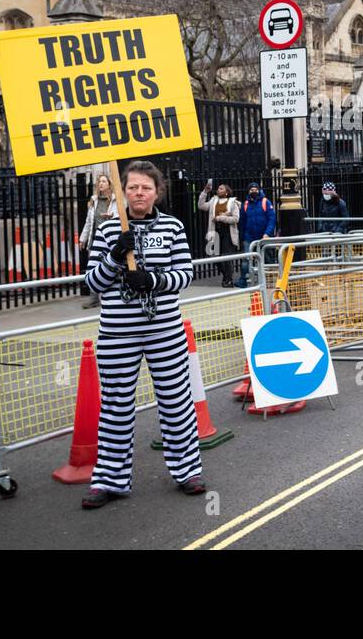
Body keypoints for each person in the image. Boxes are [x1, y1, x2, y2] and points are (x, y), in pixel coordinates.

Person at [81, 160, 203, 507]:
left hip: (164, 329)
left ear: (156, 192)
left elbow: (184, 274)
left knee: (176, 400)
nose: (138, 193)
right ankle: (110, 480)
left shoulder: (174, 227)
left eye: (145, 188)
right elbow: (92, 282)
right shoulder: (107, 229)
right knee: (116, 405)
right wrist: (115, 258)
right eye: (132, 187)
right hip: (118, 332)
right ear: (123, 190)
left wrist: (154, 280)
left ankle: (187, 470)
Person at [79, 174, 117, 308]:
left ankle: (113, 295)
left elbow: (123, 217)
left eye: (104, 181)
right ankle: (94, 298)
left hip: (109, 240)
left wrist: (112, 216)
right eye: (99, 181)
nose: (101, 183)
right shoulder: (93, 200)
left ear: (109, 184)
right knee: (93, 269)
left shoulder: (115, 200)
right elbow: (89, 222)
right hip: (95, 240)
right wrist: (82, 238)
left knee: (111, 267)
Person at [198, 181, 240, 286]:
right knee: (214, 257)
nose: (218, 190)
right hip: (215, 231)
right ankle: (226, 276)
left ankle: (228, 279)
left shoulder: (233, 203)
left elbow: (235, 219)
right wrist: (205, 192)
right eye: (218, 188)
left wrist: (220, 218)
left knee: (225, 256)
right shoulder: (213, 201)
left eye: (221, 188)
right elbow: (201, 206)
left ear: (226, 192)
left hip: (227, 232)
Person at [236, 182, 275, 288]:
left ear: (259, 190)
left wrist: (267, 233)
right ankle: (244, 279)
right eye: (251, 190)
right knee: (246, 259)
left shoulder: (265, 202)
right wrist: (242, 237)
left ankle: (270, 279)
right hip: (249, 237)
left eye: (255, 189)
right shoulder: (245, 204)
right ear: (248, 191)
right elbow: (242, 222)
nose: (254, 191)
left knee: (267, 258)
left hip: (264, 237)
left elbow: (272, 219)